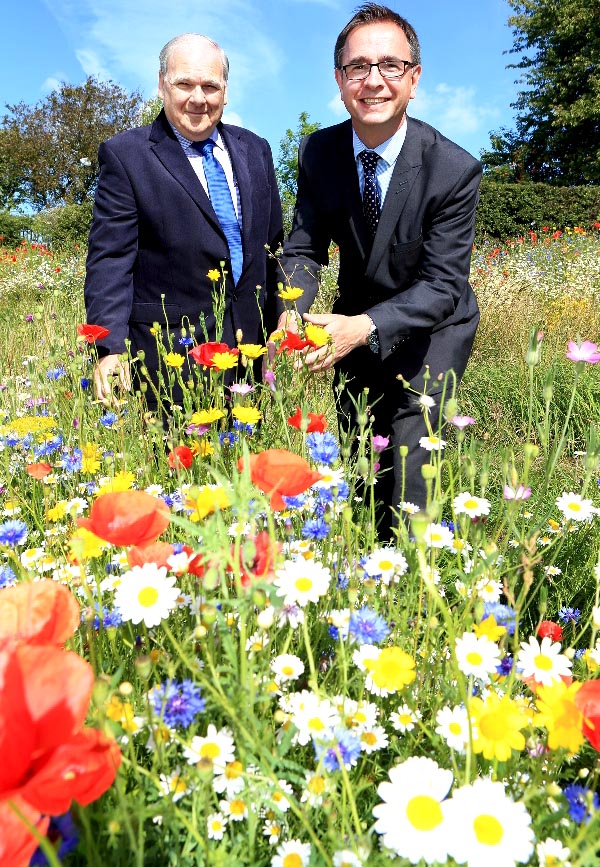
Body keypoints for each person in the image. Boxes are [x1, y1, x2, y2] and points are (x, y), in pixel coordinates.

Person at [277, 3, 481, 536]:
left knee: (412, 468)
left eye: (390, 66)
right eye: (358, 67)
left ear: (414, 79)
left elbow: (442, 285)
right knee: (359, 457)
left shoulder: (454, 170)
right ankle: (365, 577)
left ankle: (418, 580)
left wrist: (362, 328)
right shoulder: (318, 152)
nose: (374, 81)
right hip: (351, 317)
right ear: (339, 80)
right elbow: (303, 248)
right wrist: (292, 312)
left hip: (432, 326)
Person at [85, 33, 283, 409]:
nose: (198, 97)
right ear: (162, 85)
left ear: (225, 91)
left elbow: (274, 248)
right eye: (184, 84)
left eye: (210, 86)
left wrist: (281, 324)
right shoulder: (127, 156)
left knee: (245, 465)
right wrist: (109, 346)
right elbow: (110, 260)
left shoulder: (256, 149)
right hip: (171, 362)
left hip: (252, 356)